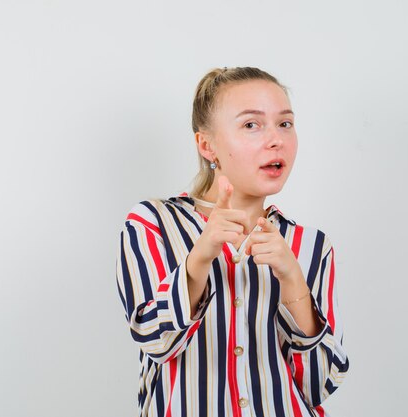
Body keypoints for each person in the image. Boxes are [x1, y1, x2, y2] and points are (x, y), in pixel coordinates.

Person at [115, 67, 349, 417]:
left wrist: (293, 282)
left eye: (285, 124)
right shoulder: (153, 223)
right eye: (251, 125)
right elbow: (154, 340)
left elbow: (318, 387)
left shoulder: (311, 245)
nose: (276, 140)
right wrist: (201, 256)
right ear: (207, 145)